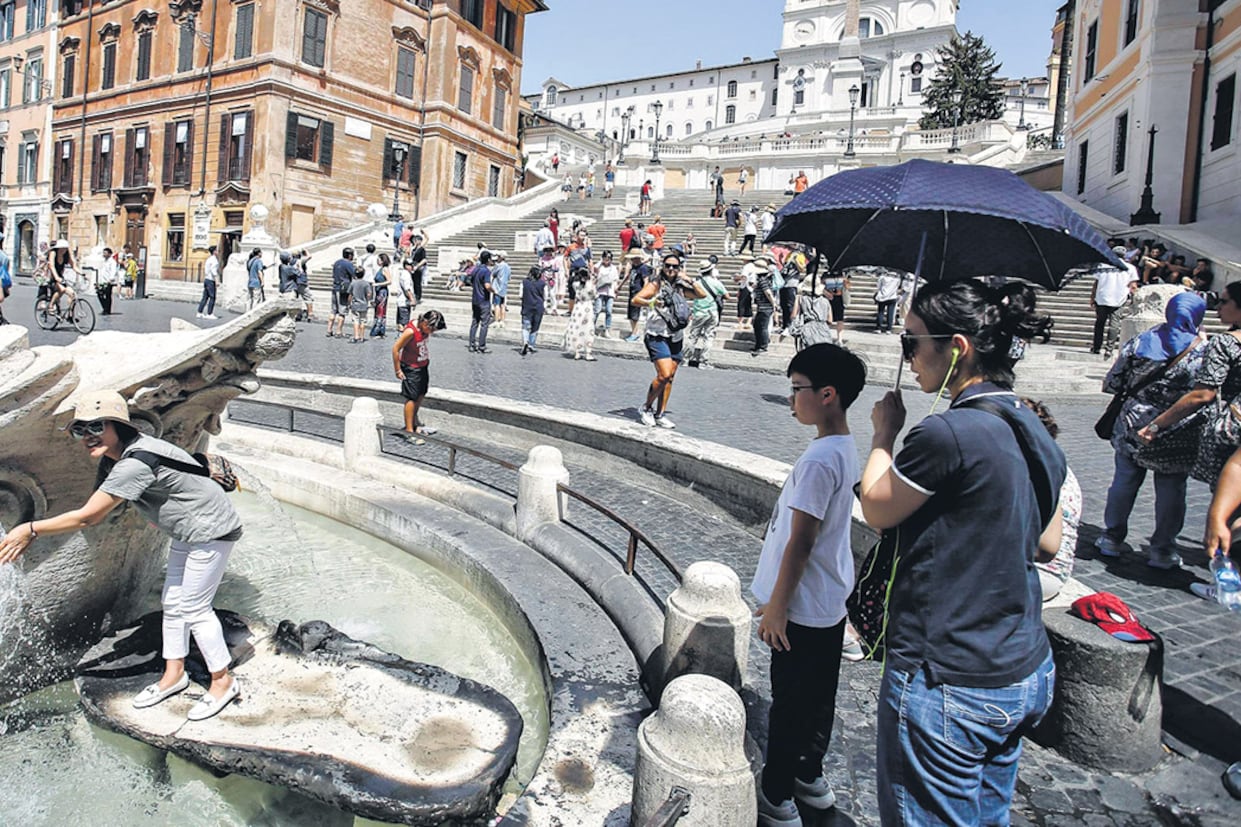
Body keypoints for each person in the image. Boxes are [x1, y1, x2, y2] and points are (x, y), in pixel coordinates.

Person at [859, 279, 1065, 826]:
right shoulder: (1032, 422)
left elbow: (877, 508)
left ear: (958, 346)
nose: (909, 357)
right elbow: (1050, 541)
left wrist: (884, 435)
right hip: (1022, 664)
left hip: (949, 672)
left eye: (912, 343)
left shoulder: (948, 432)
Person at [0, 390, 244, 720]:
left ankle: (223, 681)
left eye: (96, 427)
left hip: (211, 531)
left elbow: (88, 516)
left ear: (119, 426)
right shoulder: (120, 455)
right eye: (79, 430)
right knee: (173, 603)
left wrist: (29, 529)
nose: (87, 437)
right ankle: (174, 675)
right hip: (188, 529)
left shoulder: (135, 462)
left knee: (195, 608)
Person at [753, 343, 866, 827]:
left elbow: (801, 542)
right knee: (818, 697)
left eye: (797, 389)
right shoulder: (843, 445)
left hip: (801, 604)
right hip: (827, 599)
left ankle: (776, 793)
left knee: (791, 703)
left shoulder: (820, 460)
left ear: (827, 394)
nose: (791, 398)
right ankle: (809, 774)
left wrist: (777, 607)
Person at [1097, 292, 1208, 569]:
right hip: (1176, 426)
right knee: (1172, 488)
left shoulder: (1142, 341)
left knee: (1124, 479)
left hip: (1133, 422)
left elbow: (1113, 382)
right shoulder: (1202, 351)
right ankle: (1162, 550)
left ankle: (1111, 537)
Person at [1138, 282, 1241, 489]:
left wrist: (1156, 425)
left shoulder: (1225, 342)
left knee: (1227, 503)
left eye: (1223, 301)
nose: (1217, 308)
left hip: (1233, 432)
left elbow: (1202, 394)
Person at [631, 251, 707, 428]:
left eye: (675, 266)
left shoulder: (681, 286)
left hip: (675, 335)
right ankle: (647, 407)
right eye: (668, 266)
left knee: (670, 377)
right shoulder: (655, 284)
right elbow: (636, 299)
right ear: (662, 267)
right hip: (657, 334)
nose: (671, 269)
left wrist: (689, 279)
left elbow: (702, 295)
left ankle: (660, 414)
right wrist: (652, 303)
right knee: (664, 374)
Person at [1023, 398, 1082, 600]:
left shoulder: (1038, 472)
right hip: (1043, 568)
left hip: (1041, 572)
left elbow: (1043, 549)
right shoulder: (1054, 463)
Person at [392, 310, 446, 445]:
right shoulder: (411, 332)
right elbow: (395, 348)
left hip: (422, 365)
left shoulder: (422, 326)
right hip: (411, 368)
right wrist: (398, 370)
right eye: (431, 329)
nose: (431, 333)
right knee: (411, 397)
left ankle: (414, 423)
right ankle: (409, 431)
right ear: (425, 322)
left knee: (421, 394)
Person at [1091, 249, 1140, 354]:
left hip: (1102, 297)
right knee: (1115, 324)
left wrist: (1092, 297)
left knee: (1100, 323)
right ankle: (1109, 349)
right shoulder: (1130, 268)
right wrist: (1133, 298)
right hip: (1119, 298)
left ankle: (1096, 347)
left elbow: (1096, 283)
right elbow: (1133, 286)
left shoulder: (1102, 266)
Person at [685, 259, 729, 369]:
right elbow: (727, 296)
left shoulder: (697, 283)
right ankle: (703, 362)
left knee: (693, 336)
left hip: (699, 311)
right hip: (712, 312)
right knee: (708, 337)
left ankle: (685, 359)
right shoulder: (716, 282)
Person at [791, 277, 834, 353]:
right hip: (824, 329)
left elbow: (793, 315)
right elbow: (830, 321)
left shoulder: (801, 298)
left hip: (808, 328)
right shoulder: (826, 301)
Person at [563, 268, 597, 361]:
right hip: (587, 307)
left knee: (576, 329)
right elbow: (594, 295)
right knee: (588, 330)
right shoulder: (590, 285)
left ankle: (577, 352)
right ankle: (588, 353)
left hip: (578, 307)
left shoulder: (575, 284)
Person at [468, 250, 494, 353]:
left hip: (475, 299)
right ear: (488, 260)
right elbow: (487, 286)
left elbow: (470, 281)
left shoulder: (475, 269)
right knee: (484, 324)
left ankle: (472, 344)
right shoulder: (486, 271)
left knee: (474, 322)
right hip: (484, 300)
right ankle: (482, 346)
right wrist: (494, 291)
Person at [624, 250, 651, 342]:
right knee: (631, 314)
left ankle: (635, 333)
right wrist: (619, 287)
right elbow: (628, 277)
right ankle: (633, 331)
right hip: (632, 291)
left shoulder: (643, 268)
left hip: (638, 292)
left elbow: (646, 280)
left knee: (635, 314)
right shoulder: (633, 267)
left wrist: (644, 294)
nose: (633, 260)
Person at [329, 248, 356, 338]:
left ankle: (329, 330)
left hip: (335, 287)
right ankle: (338, 331)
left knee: (333, 310)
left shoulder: (337, 263)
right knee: (342, 312)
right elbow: (354, 275)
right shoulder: (348, 264)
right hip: (343, 290)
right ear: (350, 255)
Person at [520, 265, 547, 356]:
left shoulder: (524, 282)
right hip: (538, 307)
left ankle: (525, 342)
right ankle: (531, 344)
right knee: (535, 327)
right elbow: (545, 296)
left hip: (527, 306)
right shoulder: (542, 283)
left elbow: (520, 295)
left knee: (526, 326)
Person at [47, 239, 78, 314]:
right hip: (52, 276)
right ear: (58, 248)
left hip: (60, 277)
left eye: (65, 248)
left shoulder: (66, 254)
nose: (64, 250)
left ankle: (70, 314)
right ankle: (50, 306)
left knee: (72, 294)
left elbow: (73, 265)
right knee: (62, 290)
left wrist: (81, 273)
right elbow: (51, 266)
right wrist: (56, 277)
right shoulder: (53, 252)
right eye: (62, 248)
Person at [594, 250, 619, 337]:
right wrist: (600, 261)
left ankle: (607, 329)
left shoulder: (614, 268)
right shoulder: (600, 267)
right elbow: (594, 269)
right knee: (597, 310)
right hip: (600, 291)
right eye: (605, 258)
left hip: (610, 291)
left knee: (609, 310)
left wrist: (616, 289)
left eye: (609, 259)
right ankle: (591, 327)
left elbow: (616, 280)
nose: (607, 260)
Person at [347, 264, 373, 343]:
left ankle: (356, 336)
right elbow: (369, 294)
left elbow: (350, 295)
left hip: (355, 304)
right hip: (364, 304)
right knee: (363, 321)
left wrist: (349, 303)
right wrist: (367, 300)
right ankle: (362, 337)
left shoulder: (353, 283)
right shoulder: (366, 283)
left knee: (355, 321)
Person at [370, 253, 392, 338]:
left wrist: (377, 284)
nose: (377, 261)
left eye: (379, 260)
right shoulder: (381, 269)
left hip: (382, 292)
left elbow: (389, 281)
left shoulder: (385, 269)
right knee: (378, 310)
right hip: (379, 292)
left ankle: (378, 330)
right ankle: (378, 329)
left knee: (381, 310)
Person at [196, 246, 219, 320]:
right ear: (214, 252)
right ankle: (209, 313)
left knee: (205, 297)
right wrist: (217, 280)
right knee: (212, 297)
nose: (218, 252)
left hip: (206, 279)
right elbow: (213, 271)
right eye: (217, 250)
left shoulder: (208, 259)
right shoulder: (214, 260)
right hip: (211, 280)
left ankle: (199, 312)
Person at [491, 250, 511, 328]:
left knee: (497, 305)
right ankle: (502, 321)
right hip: (504, 287)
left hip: (497, 287)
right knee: (503, 305)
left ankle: (496, 320)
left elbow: (493, 274)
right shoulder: (508, 267)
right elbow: (509, 277)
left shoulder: (499, 266)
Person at [97, 247, 118, 316]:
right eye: (103, 253)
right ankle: (105, 308)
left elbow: (113, 271)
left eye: (105, 253)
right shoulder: (104, 261)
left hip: (109, 281)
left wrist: (111, 279)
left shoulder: (112, 262)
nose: (104, 254)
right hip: (102, 281)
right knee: (99, 294)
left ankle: (107, 310)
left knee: (107, 295)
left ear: (109, 254)